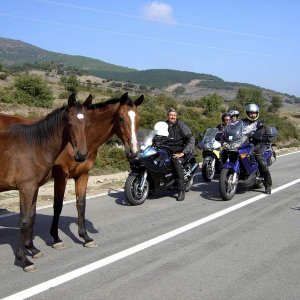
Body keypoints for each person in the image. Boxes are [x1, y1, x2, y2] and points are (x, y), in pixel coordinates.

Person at [242, 103, 272, 194]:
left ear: (257, 113)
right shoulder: (242, 122)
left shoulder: (260, 123)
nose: (252, 115)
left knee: (261, 163)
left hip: (256, 145)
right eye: (250, 113)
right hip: (242, 144)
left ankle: (267, 185)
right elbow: (234, 128)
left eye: (254, 113)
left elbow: (260, 131)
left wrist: (257, 135)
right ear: (247, 113)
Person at [166, 108, 195, 201]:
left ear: (176, 116)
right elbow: (155, 135)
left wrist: (183, 153)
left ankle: (181, 190)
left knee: (177, 165)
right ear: (168, 116)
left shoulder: (181, 126)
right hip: (166, 151)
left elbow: (191, 139)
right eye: (171, 115)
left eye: (174, 115)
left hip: (179, 151)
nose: (172, 117)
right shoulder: (164, 125)